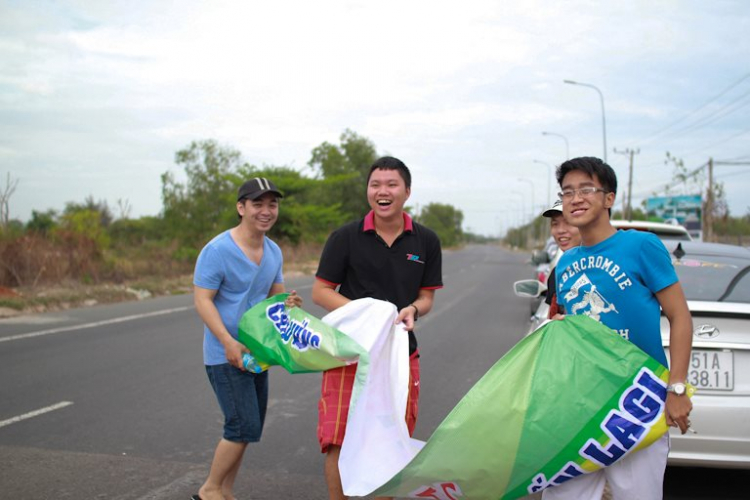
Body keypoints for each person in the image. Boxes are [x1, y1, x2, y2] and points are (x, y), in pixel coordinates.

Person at [544, 157, 693, 500]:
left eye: (586, 189)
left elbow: (680, 316)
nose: (575, 198)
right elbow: (576, 329)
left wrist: (677, 388)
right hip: (578, 405)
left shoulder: (641, 246)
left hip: (634, 404)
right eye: (567, 192)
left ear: (609, 198)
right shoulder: (566, 263)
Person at [311, 156, 443, 500]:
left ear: (407, 192)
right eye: (375, 184)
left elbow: (426, 298)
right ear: (368, 191)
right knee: (338, 438)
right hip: (348, 356)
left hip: (399, 356)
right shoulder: (345, 238)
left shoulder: (426, 241)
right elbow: (321, 291)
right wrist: (367, 315)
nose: (382, 191)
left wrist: (412, 309)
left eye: (391, 184)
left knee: (389, 442)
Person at [192, 177, 301, 500]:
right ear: (241, 208)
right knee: (240, 427)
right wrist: (227, 341)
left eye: (272, 204)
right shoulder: (217, 250)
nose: (266, 211)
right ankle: (209, 490)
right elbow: (203, 300)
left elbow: (274, 298)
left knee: (249, 429)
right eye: (258, 204)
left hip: (257, 353)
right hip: (225, 353)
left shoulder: (273, 251)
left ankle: (226, 491)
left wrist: (289, 304)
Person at [540, 199, 581, 318]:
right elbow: (552, 320)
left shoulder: (605, 268)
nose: (560, 230)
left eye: (569, 222)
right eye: (555, 224)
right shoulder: (558, 272)